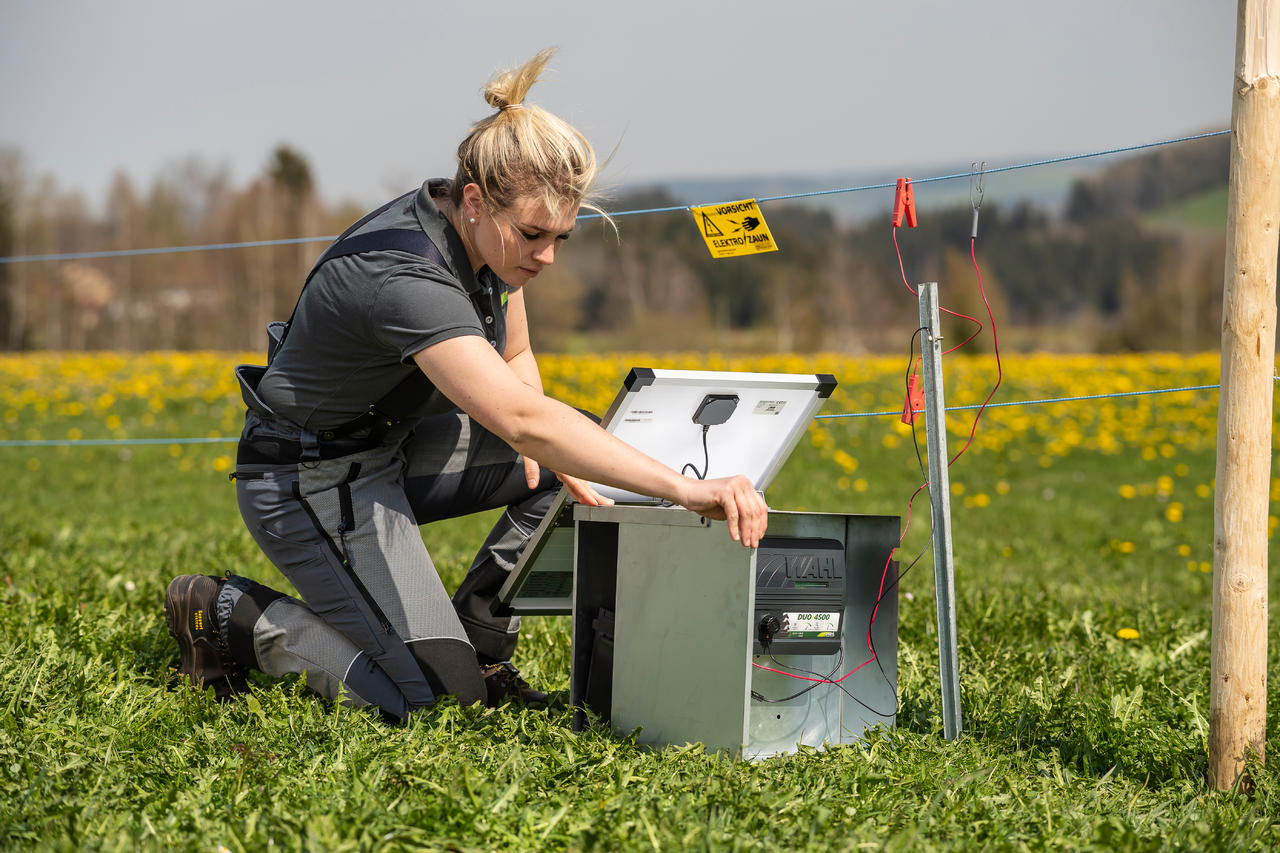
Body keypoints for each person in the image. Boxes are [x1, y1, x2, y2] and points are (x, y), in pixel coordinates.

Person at [164, 49, 768, 723]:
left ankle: (479, 644)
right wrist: (687, 488)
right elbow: (519, 417)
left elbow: (518, 358)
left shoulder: (484, 241)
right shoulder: (405, 276)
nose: (545, 256)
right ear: (476, 200)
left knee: (574, 461)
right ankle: (233, 614)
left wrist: (551, 458)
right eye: (534, 234)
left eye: (563, 237)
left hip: (391, 450)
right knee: (436, 703)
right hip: (308, 478)